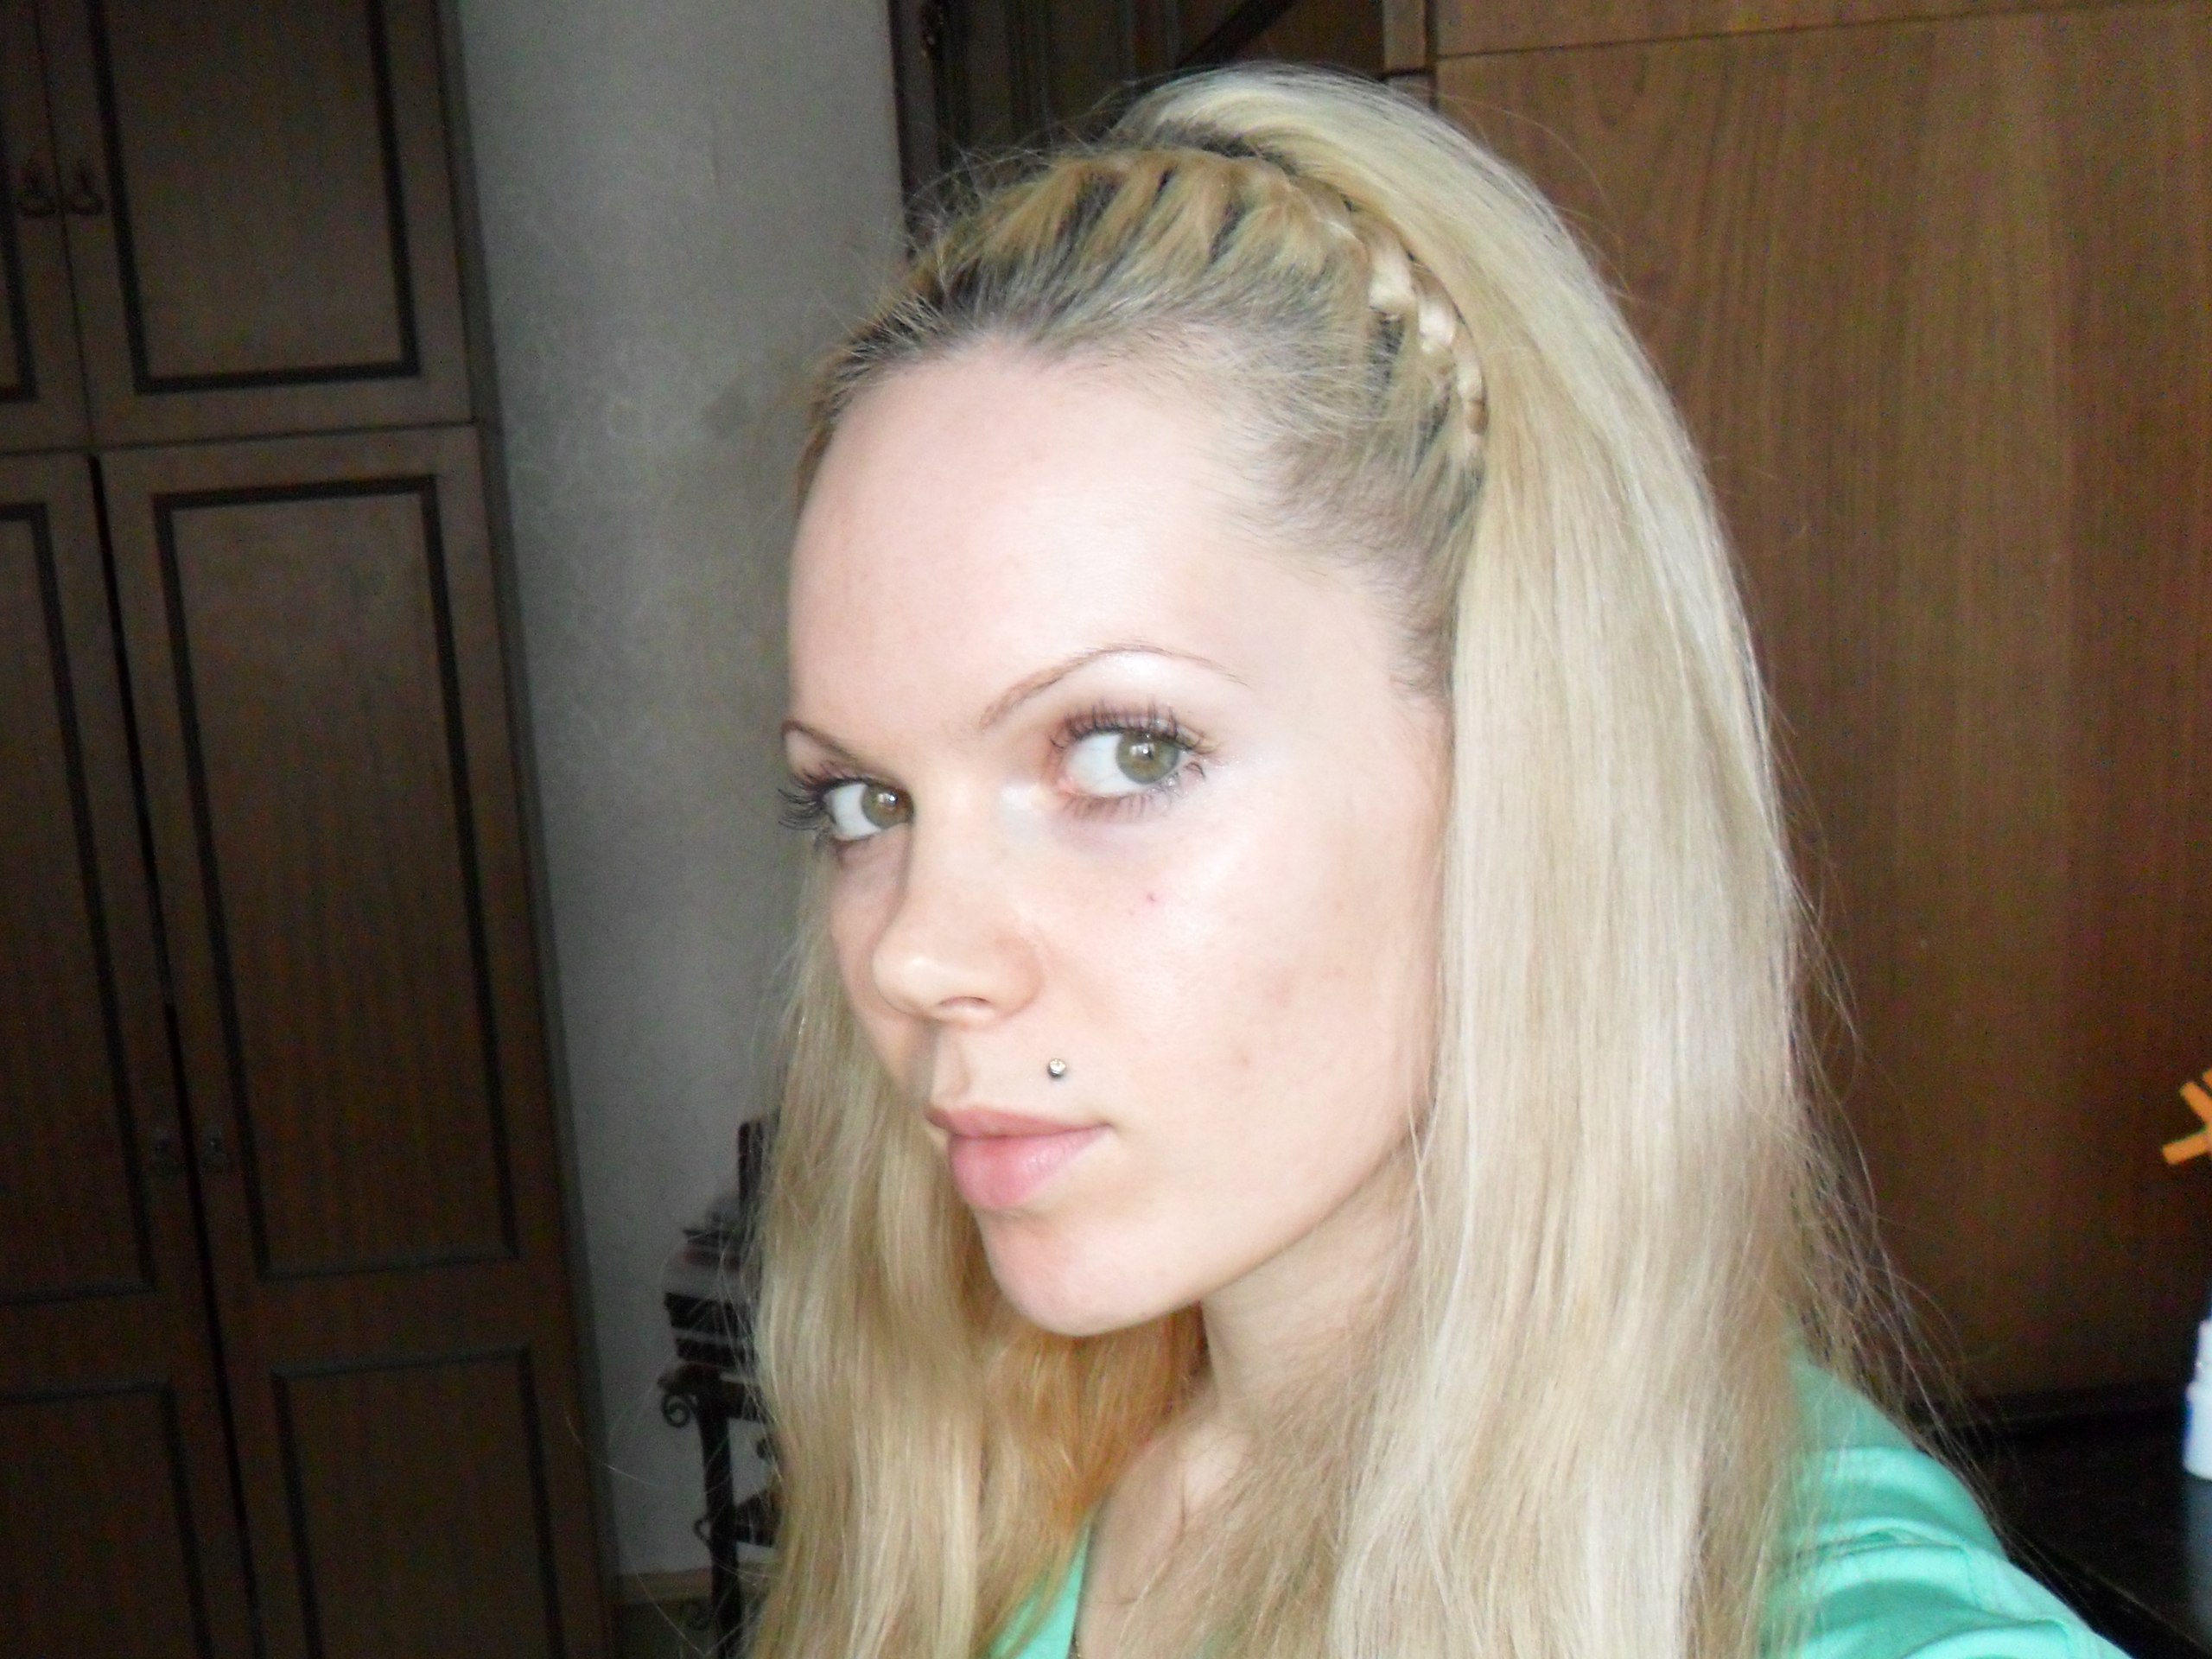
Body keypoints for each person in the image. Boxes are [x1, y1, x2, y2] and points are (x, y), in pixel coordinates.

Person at [748, 64, 2123, 1659]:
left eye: (1126, 752)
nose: (916, 954)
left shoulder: (1828, 1608)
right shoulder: (1019, 1482)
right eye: (864, 803)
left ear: (1528, 757)